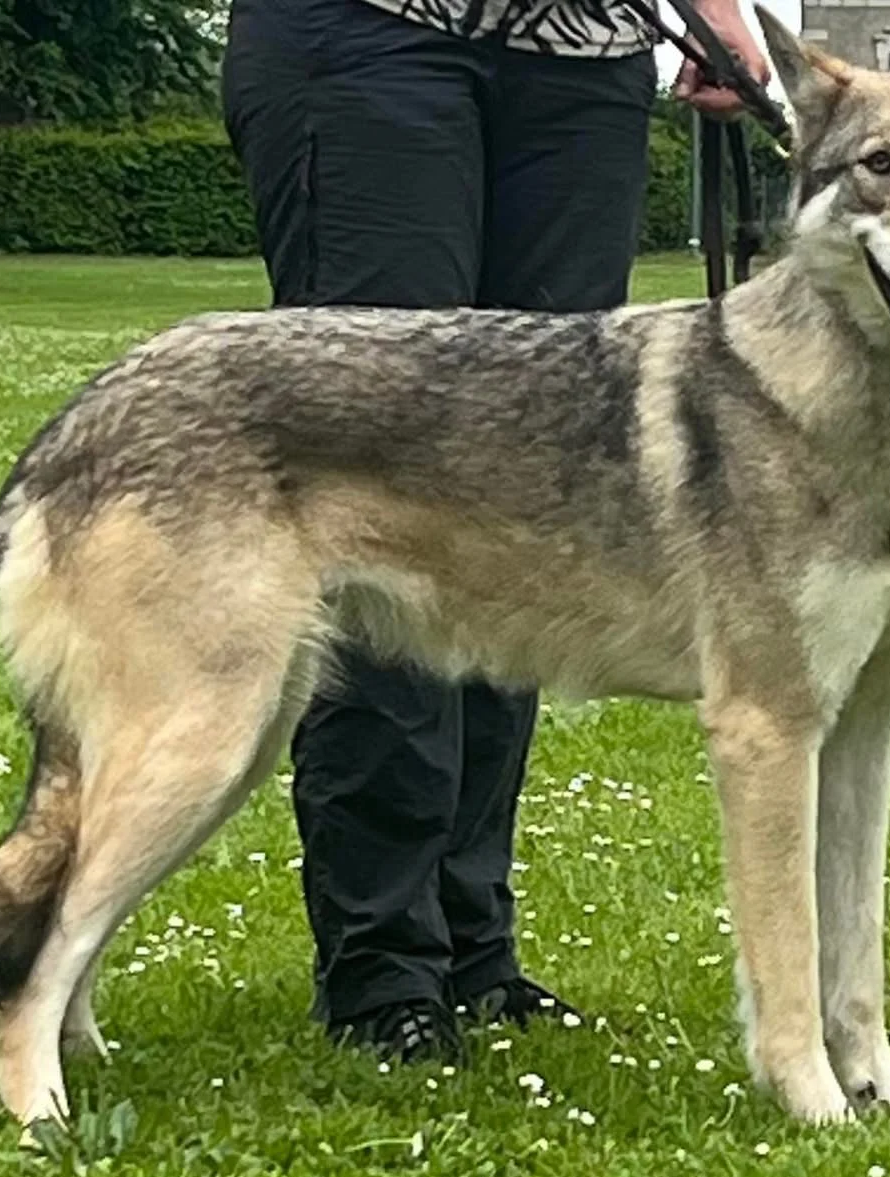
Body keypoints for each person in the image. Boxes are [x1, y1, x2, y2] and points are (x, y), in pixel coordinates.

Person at [221, 0, 769, 1064]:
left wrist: (712, 13)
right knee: (388, 494)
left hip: (580, 54)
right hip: (369, 32)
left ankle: (474, 949)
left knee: (523, 513)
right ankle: (383, 964)